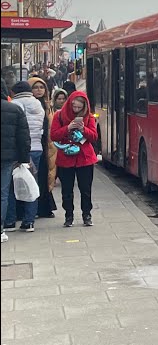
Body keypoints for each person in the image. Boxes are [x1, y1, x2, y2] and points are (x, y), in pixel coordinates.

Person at [51, 90, 98, 227]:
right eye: (74, 107)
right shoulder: (59, 116)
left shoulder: (89, 117)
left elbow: (94, 137)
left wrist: (84, 129)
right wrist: (68, 128)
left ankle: (86, 214)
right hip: (66, 158)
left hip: (85, 158)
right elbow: (53, 135)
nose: (76, 110)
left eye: (79, 108)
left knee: (85, 189)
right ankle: (68, 215)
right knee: (67, 190)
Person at [8, 81, 47, 231]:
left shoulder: (15, 104)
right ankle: (29, 221)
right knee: (31, 183)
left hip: (18, 150)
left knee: (10, 185)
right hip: (36, 148)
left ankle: (10, 220)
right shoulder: (38, 104)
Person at [1, 81, 32, 239]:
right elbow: (23, 137)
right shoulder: (14, 109)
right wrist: (24, 159)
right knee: (3, 193)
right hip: (6, 158)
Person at [27, 77, 59, 219]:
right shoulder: (27, 105)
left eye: (41, 87)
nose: (39, 90)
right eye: (35, 87)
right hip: (33, 145)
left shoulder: (48, 106)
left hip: (46, 146)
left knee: (45, 175)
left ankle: (44, 207)